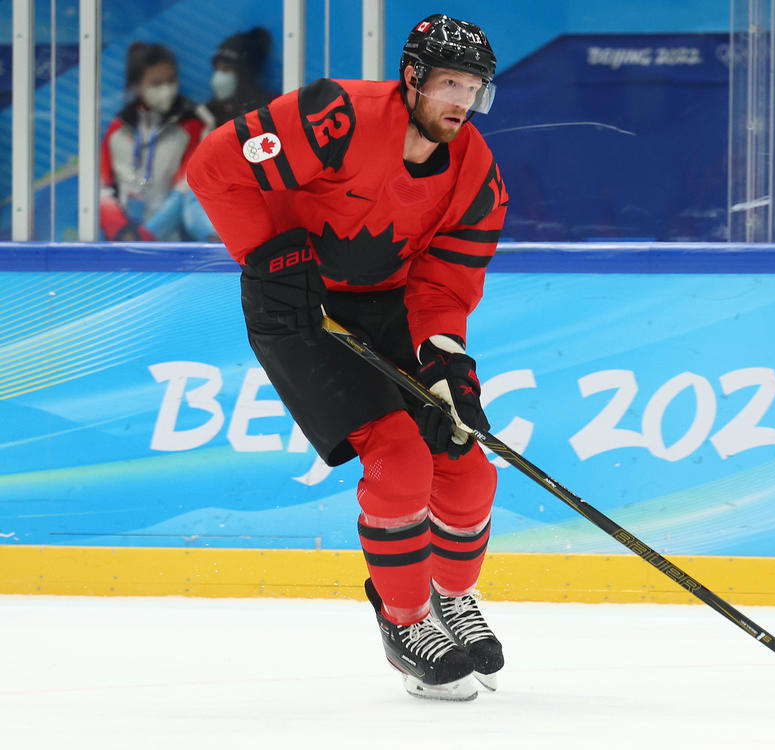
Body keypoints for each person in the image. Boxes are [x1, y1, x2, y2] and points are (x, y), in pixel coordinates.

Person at [187, 14, 507, 701]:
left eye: (474, 89)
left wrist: (446, 361)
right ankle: (406, 619)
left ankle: (452, 598)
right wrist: (271, 254)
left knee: (468, 467)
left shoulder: (476, 171)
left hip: (388, 307)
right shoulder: (336, 116)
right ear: (413, 77)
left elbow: (445, 283)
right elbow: (214, 165)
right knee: (399, 460)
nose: (461, 102)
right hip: (296, 308)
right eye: (450, 83)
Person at [100, 42, 215, 241]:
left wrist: (147, 237)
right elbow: (102, 187)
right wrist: (122, 232)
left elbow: (187, 188)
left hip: (176, 243)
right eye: (156, 83)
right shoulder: (117, 128)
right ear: (136, 86)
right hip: (123, 240)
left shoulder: (193, 125)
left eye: (171, 80)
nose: (167, 89)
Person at [206, 27, 276, 126]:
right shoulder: (207, 115)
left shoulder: (268, 113)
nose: (218, 76)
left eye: (226, 69)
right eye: (216, 69)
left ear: (245, 74)